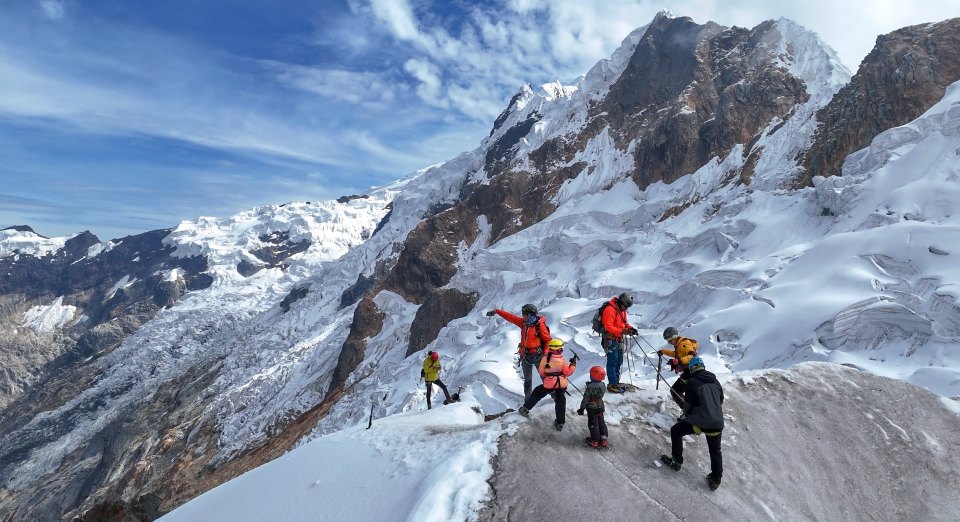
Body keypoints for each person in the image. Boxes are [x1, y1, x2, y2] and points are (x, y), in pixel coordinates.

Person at [660, 356, 724, 491]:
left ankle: (676, 461)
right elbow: (721, 400)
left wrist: (689, 411)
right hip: (717, 423)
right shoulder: (715, 381)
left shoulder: (692, 382)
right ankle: (715, 479)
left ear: (692, 368)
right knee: (715, 451)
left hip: (700, 422)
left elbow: (688, 406)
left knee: (676, 431)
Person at [486, 304, 551, 400]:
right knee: (528, 380)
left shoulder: (539, 325)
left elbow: (548, 340)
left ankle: (555, 396)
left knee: (544, 377)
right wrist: (497, 311)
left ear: (529, 314)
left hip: (538, 355)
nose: (522, 316)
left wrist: (545, 354)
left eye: (524, 313)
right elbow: (511, 317)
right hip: (525, 355)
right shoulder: (524, 323)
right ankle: (528, 402)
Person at [518, 339, 577, 430]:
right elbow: (568, 373)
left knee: (537, 393)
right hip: (561, 385)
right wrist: (573, 364)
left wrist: (550, 376)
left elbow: (542, 372)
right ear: (559, 350)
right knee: (560, 401)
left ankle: (525, 409)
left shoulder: (545, 359)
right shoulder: (562, 361)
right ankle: (560, 423)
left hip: (549, 384)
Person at [599, 292, 638, 393]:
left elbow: (625, 324)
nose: (625, 308)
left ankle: (615, 382)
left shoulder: (622, 310)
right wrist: (622, 331)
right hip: (610, 339)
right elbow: (608, 326)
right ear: (621, 302)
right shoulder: (610, 310)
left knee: (619, 360)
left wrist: (631, 329)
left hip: (617, 339)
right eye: (625, 306)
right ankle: (612, 384)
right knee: (613, 361)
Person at [658, 327, 699, 407]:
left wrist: (678, 361)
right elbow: (676, 354)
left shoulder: (684, 344)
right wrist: (663, 351)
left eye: (670, 340)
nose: (669, 343)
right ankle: (690, 410)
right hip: (691, 372)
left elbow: (692, 356)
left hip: (690, 372)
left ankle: (688, 411)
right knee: (680, 391)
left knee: (675, 391)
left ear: (674, 337)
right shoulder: (679, 344)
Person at [577, 366, 609, 448]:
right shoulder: (603, 385)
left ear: (593, 377)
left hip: (592, 408)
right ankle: (604, 439)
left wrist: (582, 409)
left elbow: (586, 399)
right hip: (600, 406)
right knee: (601, 422)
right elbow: (597, 388)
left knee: (593, 423)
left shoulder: (590, 387)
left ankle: (594, 441)